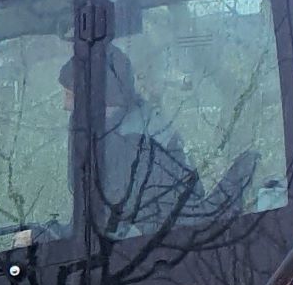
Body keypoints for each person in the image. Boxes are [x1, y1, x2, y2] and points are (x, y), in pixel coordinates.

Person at [58, 46, 208, 241]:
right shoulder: (103, 130)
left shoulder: (141, 144)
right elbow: (93, 218)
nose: (65, 105)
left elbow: (114, 225)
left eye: (71, 95)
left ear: (100, 96)